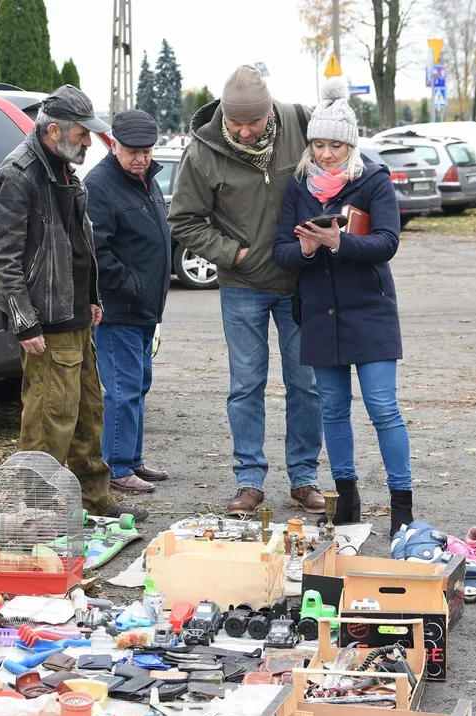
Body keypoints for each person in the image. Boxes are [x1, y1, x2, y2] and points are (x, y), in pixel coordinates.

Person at [0, 85, 147, 522]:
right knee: (49, 423)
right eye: (82, 133)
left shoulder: (64, 169)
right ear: (54, 131)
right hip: (45, 322)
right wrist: (24, 322)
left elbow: (76, 243)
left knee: (89, 414)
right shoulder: (19, 173)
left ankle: (94, 501)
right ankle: (34, 515)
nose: (90, 142)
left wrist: (91, 299)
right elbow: (3, 257)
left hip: (74, 316)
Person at [168, 65, 324, 516]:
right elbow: (183, 221)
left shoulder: (300, 123)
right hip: (242, 286)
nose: (243, 130)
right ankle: (249, 480)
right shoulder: (203, 152)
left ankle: (304, 478)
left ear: (269, 112)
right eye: (235, 122)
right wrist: (233, 254)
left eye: (253, 122)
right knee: (246, 385)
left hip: (299, 281)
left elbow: (337, 168)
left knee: (306, 384)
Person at [271, 78, 415, 536]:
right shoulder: (299, 187)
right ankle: (346, 497)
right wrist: (309, 250)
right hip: (318, 313)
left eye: (335, 145)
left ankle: (402, 504)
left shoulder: (372, 179)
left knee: (383, 408)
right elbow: (281, 251)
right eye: (319, 144)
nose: (326, 153)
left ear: (350, 145)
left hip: (369, 312)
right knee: (332, 409)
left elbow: (388, 242)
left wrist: (341, 241)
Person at [84, 109, 172, 495]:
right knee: (122, 388)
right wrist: (132, 285)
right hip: (119, 308)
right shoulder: (100, 185)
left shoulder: (145, 180)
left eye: (148, 150)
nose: (142, 158)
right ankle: (117, 467)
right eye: (134, 150)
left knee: (140, 384)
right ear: (114, 144)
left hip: (145, 308)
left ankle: (132, 459)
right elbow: (95, 250)